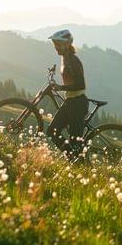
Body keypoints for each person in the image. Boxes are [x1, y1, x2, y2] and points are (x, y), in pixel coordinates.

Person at [46, 29, 88, 160]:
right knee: (52, 131)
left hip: (77, 103)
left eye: (59, 44)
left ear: (68, 44)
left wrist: (61, 87)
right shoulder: (65, 58)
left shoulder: (74, 61)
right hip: (70, 102)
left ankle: (76, 161)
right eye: (55, 44)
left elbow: (81, 85)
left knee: (75, 142)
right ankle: (72, 157)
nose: (56, 47)